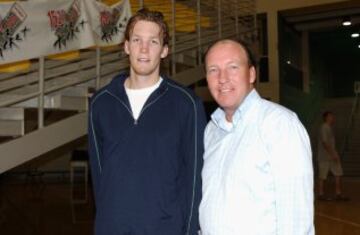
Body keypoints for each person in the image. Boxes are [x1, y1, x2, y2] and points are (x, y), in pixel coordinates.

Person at [88, 8, 207, 235]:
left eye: (153, 41)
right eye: (137, 40)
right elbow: (99, 176)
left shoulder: (187, 104)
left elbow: (195, 179)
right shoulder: (101, 103)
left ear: (164, 50)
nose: (144, 49)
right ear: (126, 46)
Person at [199, 39, 314, 235]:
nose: (222, 78)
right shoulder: (211, 130)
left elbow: (296, 219)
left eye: (233, 67)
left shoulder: (279, 124)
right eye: (213, 70)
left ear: (251, 74)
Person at [317, 111, 348, 201]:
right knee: (322, 176)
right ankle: (320, 194)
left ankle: (338, 194)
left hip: (332, 156)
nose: (333, 117)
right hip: (324, 157)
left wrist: (334, 154)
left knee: (338, 173)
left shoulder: (329, 128)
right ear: (326, 118)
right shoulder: (324, 127)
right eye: (331, 116)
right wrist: (333, 154)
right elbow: (324, 143)